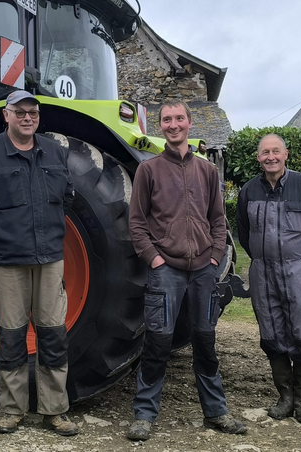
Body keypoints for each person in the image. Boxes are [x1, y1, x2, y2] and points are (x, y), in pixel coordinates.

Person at [0, 90, 78, 436]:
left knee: (53, 335)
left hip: (50, 258)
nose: (27, 117)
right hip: (7, 261)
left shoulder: (54, 151)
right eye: (19, 112)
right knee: (10, 336)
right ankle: (11, 409)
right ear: (6, 115)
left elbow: (66, 196)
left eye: (32, 112)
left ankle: (55, 410)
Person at [126, 99, 247, 441]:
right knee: (158, 341)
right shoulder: (148, 171)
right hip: (166, 269)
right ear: (159, 126)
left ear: (190, 124)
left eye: (179, 118)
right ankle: (145, 414)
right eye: (167, 119)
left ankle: (216, 411)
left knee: (205, 341)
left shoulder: (208, 171)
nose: (174, 124)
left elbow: (219, 220)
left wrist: (214, 256)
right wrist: (154, 258)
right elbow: (136, 224)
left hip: (203, 271)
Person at [237, 134, 301, 424]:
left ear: (286, 154)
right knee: (272, 333)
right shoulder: (249, 190)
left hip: (298, 271)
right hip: (263, 273)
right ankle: (284, 397)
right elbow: (243, 232)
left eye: (275, 151)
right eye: (265, 152)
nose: (271, 157)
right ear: (258, 158)